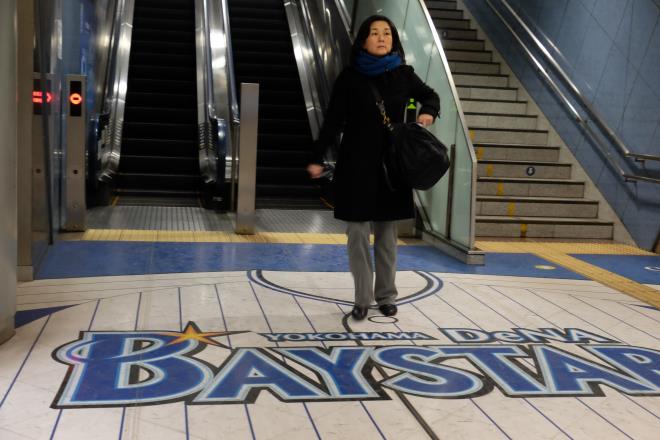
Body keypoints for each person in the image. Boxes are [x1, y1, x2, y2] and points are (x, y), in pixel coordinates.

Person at [307, 15, 440, 320]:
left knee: (386, 234)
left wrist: (429, 112)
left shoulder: (404, 75)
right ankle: (362, 297)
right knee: (356, 233)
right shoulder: (349, 78)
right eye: (374, 33)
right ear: (363, 40)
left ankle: (386, 295)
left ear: (393, 40)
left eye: (387, 34)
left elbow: (430, 96)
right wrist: (317, 156)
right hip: (356, 165)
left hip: (391, 168)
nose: (382, 38)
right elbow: (332, 121)